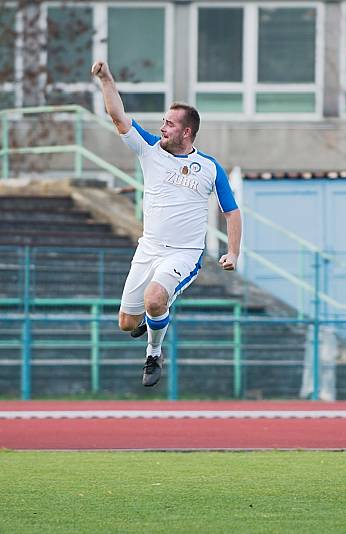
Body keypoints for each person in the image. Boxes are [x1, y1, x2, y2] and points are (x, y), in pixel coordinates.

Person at [91, 60, 242, 387]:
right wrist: (106, 79)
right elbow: (118, 117)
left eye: (170, 124)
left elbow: (232, 212)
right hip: (149, 248)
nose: (163, 128)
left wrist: (233, 252)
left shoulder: (209, 167)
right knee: (125, 322)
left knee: (156, 298)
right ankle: (151, 320)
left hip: (184, 254)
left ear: (187, 132)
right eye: (163, 121)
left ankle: (153, 353)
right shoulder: (150, 150)